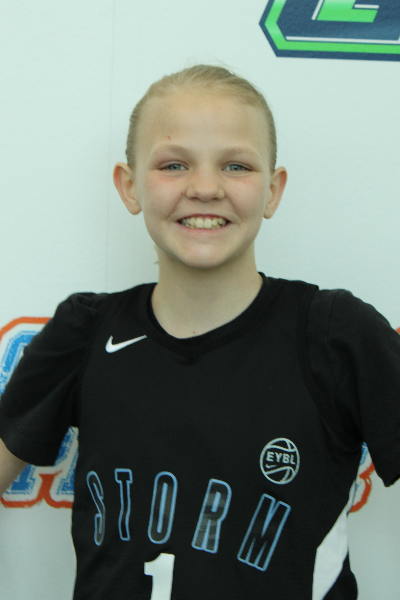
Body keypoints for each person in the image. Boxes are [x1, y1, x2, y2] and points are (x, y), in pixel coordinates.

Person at [0, 64, 400, 600]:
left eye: (236, 165)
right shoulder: (85, 331)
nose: (206, 188)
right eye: (174, 164)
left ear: (273, 190)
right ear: (129, 186)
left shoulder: (335, 334)